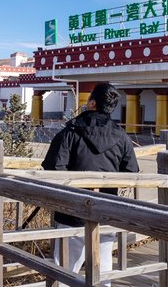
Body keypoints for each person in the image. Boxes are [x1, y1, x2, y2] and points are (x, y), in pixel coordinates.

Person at [41, 82, 139, 285]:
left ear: (92, 103)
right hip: (106, 209)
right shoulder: (121, 137)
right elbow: (131, 172)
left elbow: (53, 167)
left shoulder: (70, 132)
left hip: (71, 210)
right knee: (103, 269)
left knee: (65, 269)